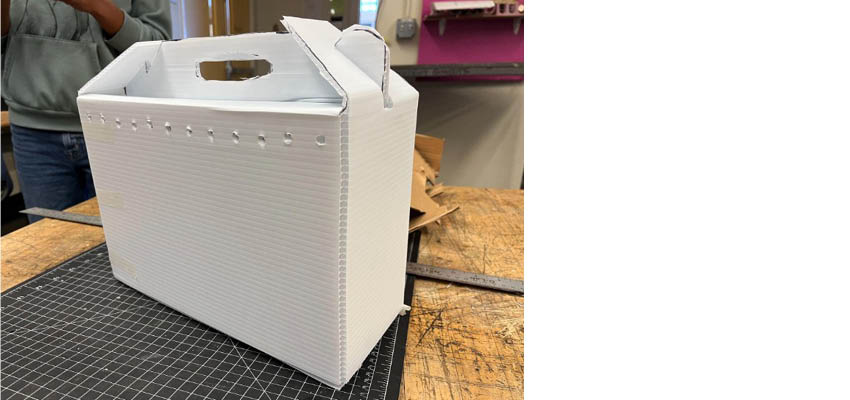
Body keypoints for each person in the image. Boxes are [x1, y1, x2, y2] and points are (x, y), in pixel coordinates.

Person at [1, 0, 171, 222]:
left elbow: (158, 47)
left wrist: (97, 7)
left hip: (116, 127)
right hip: (33, 133)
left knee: (126, 238)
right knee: (50, 245)